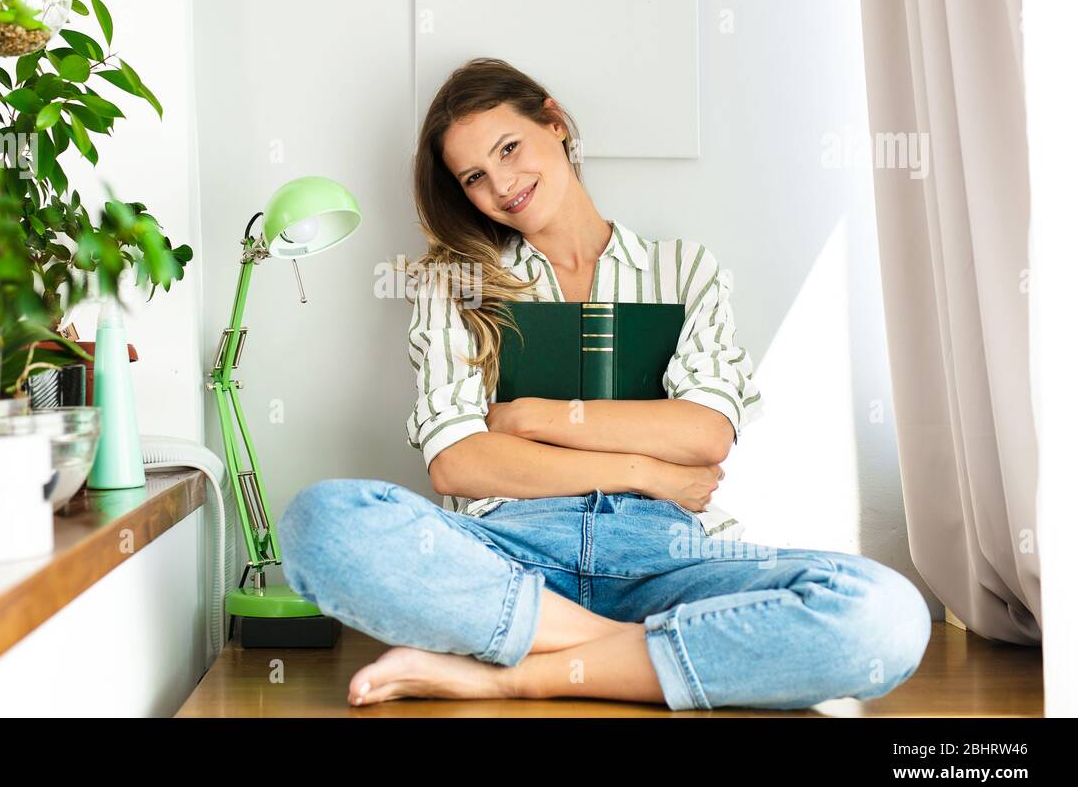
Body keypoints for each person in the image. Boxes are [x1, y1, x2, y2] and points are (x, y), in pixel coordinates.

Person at [279, 57, 930, 710]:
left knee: (886, 615)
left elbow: (704, 435)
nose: (502, 185)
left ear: (555, 121)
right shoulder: (458, 283)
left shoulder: (685, 269)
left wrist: (529, 416)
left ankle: (519, 674)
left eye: (510, 148)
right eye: (474, 176)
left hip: (665, 559)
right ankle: (637, 651)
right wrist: (643, 469)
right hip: (508, 554)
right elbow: (459, 464)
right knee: (322, 522)